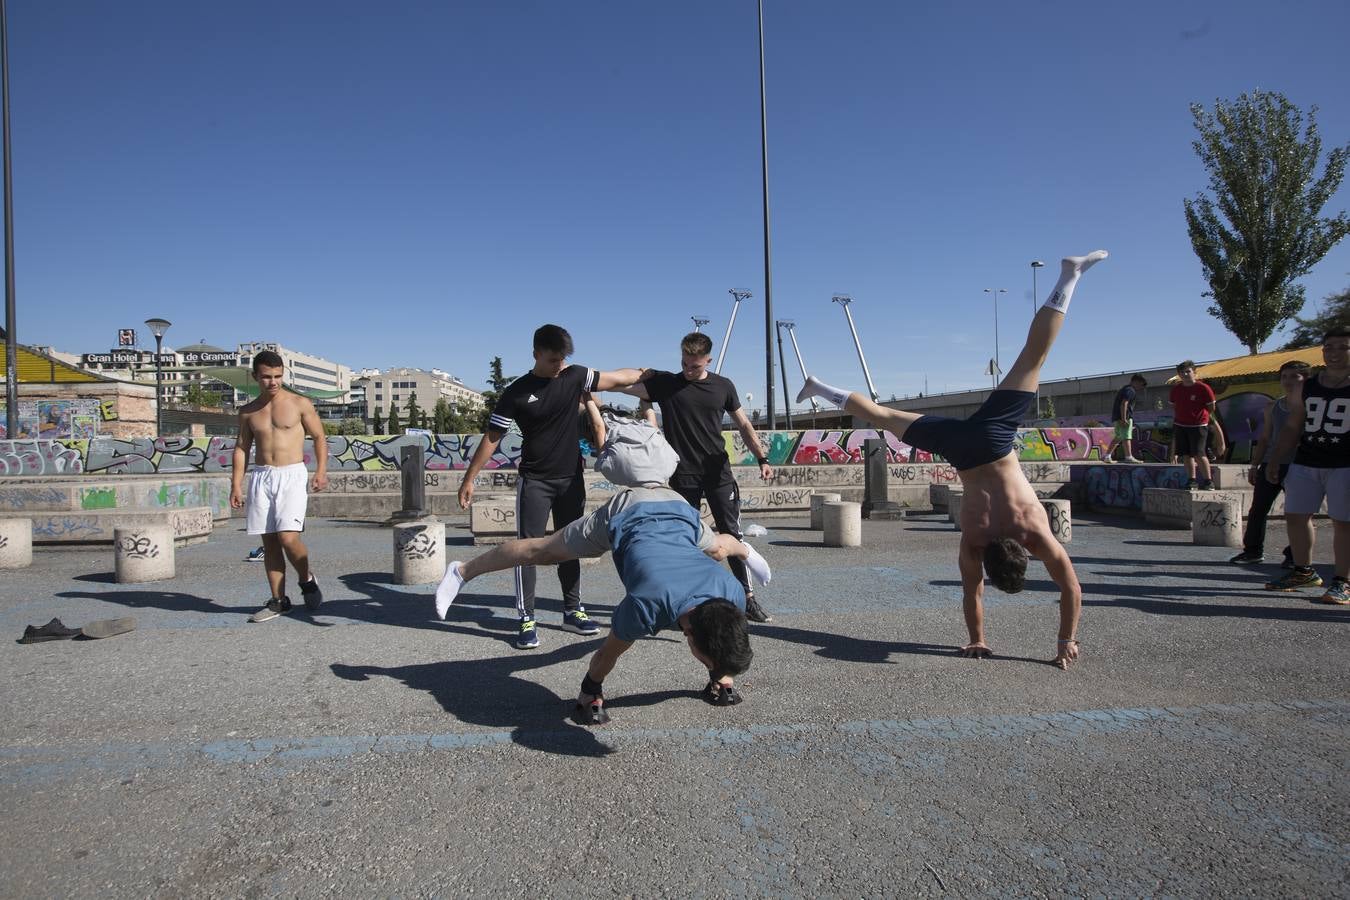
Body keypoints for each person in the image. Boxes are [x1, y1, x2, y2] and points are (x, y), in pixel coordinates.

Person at [798, 252, 1107, 669]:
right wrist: (977, 639)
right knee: (883, 416)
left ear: (1023, 555)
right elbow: (972, 592)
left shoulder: (1033, 532)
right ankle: (818, 387)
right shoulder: (975, 539)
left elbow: (1071, 588)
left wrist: (1066, 639)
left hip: (994, 440)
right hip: (962, 450)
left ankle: (1070, 276)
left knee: (1033, 357)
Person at [435, 421, 771, 723]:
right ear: (691, 637)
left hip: (677, 508)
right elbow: (606, 654)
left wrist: (722, 668)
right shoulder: (648, 605)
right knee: (542, 551)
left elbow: (723, 635)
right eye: (709, 661)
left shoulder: (733, 594)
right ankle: (463, 571)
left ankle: (746, 552)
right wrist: (590, 689)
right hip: (627, 514)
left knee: (719, 548)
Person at [457, 324, 648, 649]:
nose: (559, 366)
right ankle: (526, 618)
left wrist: (648, 373)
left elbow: (618, 379)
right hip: (535, 481)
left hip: (571, 479)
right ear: (536, 354)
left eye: (562, 359)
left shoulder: (574, 376)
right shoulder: (517, 392)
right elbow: (492, 437)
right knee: (526, 550)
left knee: (571, 544)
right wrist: (469, 478)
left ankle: (572, 610)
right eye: (552, 360)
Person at [615, 332, 776, 623]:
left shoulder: (723, 386)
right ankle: (688, 602)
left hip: (718, 474)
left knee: (731, 534)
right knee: (685, 539)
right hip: (683, 476)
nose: (688, 370)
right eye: (684, 364)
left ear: (708, 361)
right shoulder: (667, 383)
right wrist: (589, 381)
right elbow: (623, 385)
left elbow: (743, 424)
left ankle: (747, 598)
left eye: (695, 366)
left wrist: (762, 458)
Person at [230, 350, 328, 623]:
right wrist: (236, 485)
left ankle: (306, 579)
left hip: (291, 475)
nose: (272, 382)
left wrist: (321, 471)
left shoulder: (299, 403)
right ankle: (279, 600)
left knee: (288, 538)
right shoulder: (248, 411)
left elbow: (319, 436)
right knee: (270, 542)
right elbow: (241, 448)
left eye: (277, 376)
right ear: (255, 377)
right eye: (266, 377)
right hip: (262, 476)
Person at [1263, 329, 1350, 604]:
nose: (1334, 353)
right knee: (1296, 515)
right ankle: (1303, 571)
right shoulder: (1308, 386)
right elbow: (1293, 426)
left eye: (1343, 347)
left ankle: (1342, 581)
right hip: (1306, 460)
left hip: (1344, 463)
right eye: (1329, 347)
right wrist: (1275, 458)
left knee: (1343, 522)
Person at [1229, 360, 1309, 566]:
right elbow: (1264, 438)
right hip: (1270, 463)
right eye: (1284, 377)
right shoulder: (1273, 406)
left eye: (1294, 376)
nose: (1288, 381)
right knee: (1258, 509)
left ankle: (1295, 555)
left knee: (1297, 514)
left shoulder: (1311, 406)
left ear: (1305, 379)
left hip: (1299, 464)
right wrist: (1254, 465)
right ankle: (1253, 551)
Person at [1168, 361, 1225, 489]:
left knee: (1199, 453)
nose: (1185, 374)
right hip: (1181, 425)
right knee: (1186, 454)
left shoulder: (1203, 388)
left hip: (1198, 425)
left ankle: (1208, 481)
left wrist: (1201, 418)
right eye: (1182, 372)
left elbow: (1211, 407)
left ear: (1194, 372)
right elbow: (1174, 406)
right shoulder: (1176, 389)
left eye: (1188, 371)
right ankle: (1192, 480)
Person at [1103, 374, 1146, 462]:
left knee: (1118, 437)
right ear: (1136, 382)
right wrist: (1124, 418)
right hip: (1124, 417)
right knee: (1127, 436)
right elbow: (1124, 403)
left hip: (1117, 417)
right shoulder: (1131, 390)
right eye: (1141, 385)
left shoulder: (1125, 389)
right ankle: (1129, 457)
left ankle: (1107, 456)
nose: (1140, 388)